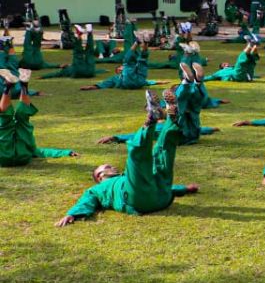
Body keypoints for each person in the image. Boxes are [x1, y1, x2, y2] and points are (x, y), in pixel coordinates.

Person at [56, 91, 197, 225]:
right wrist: (72, 214)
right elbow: (86, 201)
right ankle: (151, 120)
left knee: (162, 155)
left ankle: (172, 120)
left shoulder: (127, 177)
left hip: (162, 195)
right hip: (139, 200)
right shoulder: (98, 189)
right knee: (137, 157)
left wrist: (184, 189)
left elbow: (168, 185)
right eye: (107, 167)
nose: (112, 166)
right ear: (99, 177)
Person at [0, 69, 76, 166]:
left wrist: (66, 153)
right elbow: (41, 151)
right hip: (23, 154)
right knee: (17, 119)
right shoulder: (31, 150)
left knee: (7, 121)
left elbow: (41, 151)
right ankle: (18, 85)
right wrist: (66, 152)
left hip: (6, 156)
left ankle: (13, 85)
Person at [78, 39, 158, 91]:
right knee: (128, 61)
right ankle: (137, 42)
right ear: (118, 71)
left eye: (120, 67)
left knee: (142, 61)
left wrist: (162, 82)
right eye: (119, 69)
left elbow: (148, 82)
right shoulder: (116, 77)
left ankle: (145, 42)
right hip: (128, 82)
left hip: (139, 81)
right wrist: (90, 87)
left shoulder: (132, 69)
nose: (120, 68)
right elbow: (104, 84)